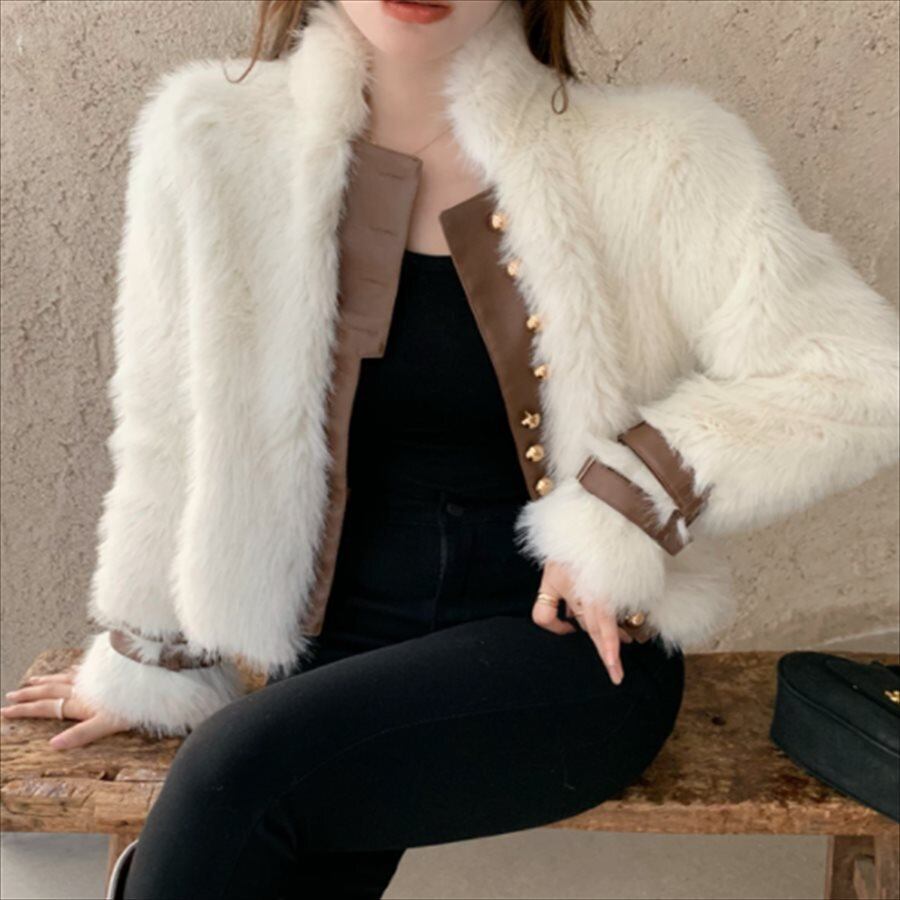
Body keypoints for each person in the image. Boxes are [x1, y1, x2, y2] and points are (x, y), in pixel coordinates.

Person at [3, 1, 898, 898]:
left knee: (235, 769)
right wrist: (152, 658)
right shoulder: (210, 135)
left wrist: (625, 506)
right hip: (330, 653)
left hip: (565, 653)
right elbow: (165, 423)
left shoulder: (664, 153)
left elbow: (858, 377)